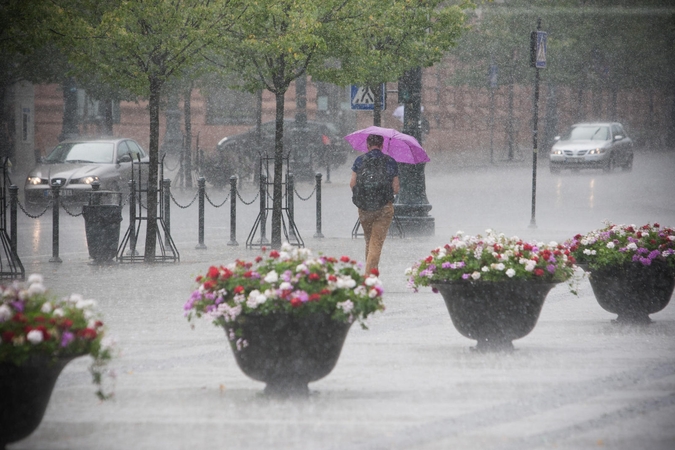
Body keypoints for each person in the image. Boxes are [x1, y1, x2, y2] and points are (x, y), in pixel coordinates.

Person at [350, 134, 399, 275]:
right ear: (382, 145)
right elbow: (396, 188)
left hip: (364, 207)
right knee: (376, 242)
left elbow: (352, 184)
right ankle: (369, 277)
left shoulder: (359, 160)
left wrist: (364, 195)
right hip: (384, 208)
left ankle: (371, 274)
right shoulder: (390, 161)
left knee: (369, 241)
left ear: (367, 145)